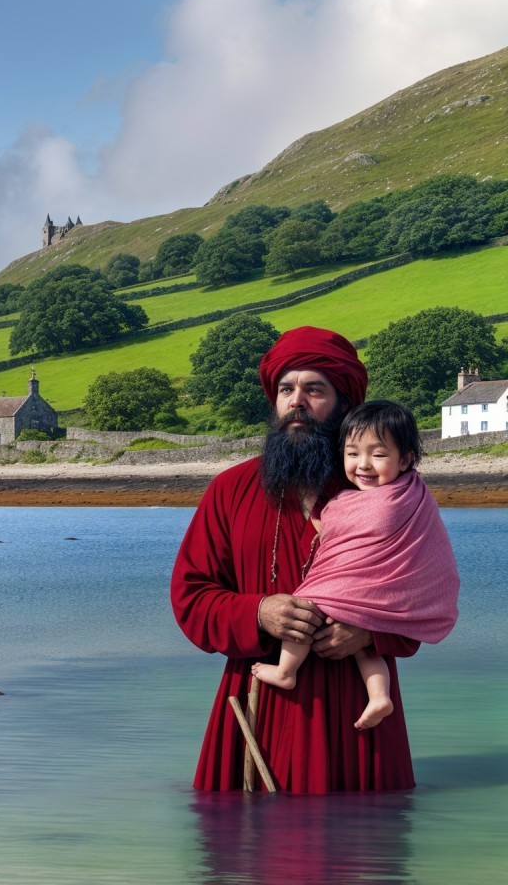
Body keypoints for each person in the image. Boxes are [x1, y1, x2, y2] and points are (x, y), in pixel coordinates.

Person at [170, 326, 421, 793]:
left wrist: (369, 629)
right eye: (286, 389)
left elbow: (421, 595)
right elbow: (191, 596)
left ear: (344, 402)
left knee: (361, 855)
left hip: (356, 712)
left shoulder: (387, 496)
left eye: (314, 389)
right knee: (244, 857)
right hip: (256, 700)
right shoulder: (230, 489)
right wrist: (258, 611)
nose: (297, 402)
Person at [252, 400, 459, 731]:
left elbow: (349, 528)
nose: (364, 465)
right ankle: (379, 696)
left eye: (378, 455)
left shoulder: (392, 502)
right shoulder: (416, 494)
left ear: (405, 459)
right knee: (367, 648)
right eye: (352, 454)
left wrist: (327, 512)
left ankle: (285, 671)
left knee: (305, 608)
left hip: (352, 588)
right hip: (375, 599)